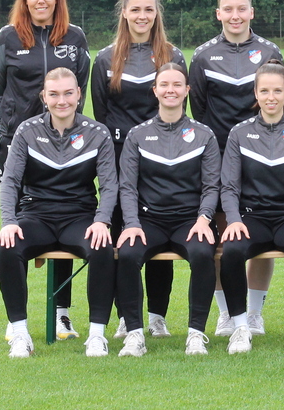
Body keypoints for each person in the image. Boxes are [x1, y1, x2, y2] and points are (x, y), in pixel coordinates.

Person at [0, 0, 91, 341]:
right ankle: (17, 321)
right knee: (16, 228)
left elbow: (79, 88)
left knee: (65, 214)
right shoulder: (9, 36)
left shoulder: (75, 38)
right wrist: (7, 135)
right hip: (18, 146)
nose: (41, 0)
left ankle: (62, 313)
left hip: (63, 148)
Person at [0, 68, 116, 358]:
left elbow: (110, 185)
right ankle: (20, 334)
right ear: (44, 98)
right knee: (8, 246)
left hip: (79, 216)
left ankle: (97, 336)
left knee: (102, 247)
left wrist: (102, 221)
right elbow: (10, 180)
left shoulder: (97, 133)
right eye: (54, 94)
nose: (61, 100)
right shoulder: (27, 130)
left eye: (67, 93)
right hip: (37, 214)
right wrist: (9, 222)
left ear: (78, 95)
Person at [188, 0, 284, 337]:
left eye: (241, 8)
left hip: (261, 159)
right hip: (216, 161)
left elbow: (276, 100)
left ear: (251, 12)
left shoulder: (270, 51)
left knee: (257, 235)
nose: (235, 15)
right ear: (218, 14)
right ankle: (227, 313)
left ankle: (254, 313)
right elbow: (198, 111)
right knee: (218, 237)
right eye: (228, 9)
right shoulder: (202, 56)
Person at [91, 0, 186, 338]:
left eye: (149, 9)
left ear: (156, 13)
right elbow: (101, 116)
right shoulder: (105, 58)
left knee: (159, 231)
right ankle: (124, 316)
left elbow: (177, 110)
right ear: (125, 13)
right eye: (135, 9)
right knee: (122, 238)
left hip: (162, 158)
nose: (142, 16)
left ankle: (157, 316)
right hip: (117, 159)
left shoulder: (172, 56)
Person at [218, 61, 284, 355]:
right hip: (252, 218)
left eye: (277, 90)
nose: (271, 97)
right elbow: (228, 186)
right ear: (256, 93)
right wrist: (233, 220)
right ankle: (240, 327)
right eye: (264, 90)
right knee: (231, 251)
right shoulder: (239, 134)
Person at [114, 63, 220, 357]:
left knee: (202, 253)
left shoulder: (204, 135)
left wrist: (204, 218)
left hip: (190, 220)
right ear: (155, 91)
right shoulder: (137, 135)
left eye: (177, 85)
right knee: (128, 253)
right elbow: (127, 186)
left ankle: (196, 334)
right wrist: (132, 223)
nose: (170, 90)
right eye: (164, 85)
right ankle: (135, 334)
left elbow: (212, 186)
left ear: (187, 90)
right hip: (149, 220)